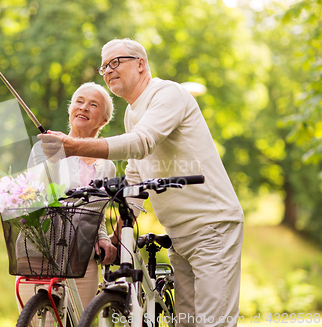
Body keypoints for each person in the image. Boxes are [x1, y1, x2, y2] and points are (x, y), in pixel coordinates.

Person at [38, 38, 244, 327]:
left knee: (213, 322)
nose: (108, 70)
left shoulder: (167, 93)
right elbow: (136, 178)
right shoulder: (133, 114)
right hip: (179, 234)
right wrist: (118, 232)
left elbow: (142, 142)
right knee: (185, 322)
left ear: (140, 64)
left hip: (211, 226)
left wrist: (74, 146)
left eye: (115, 62)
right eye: (104, 67)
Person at [17, 82, 118, 311]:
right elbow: (36, 196)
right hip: (40, 252)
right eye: (79, 101)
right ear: (70, 108)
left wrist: (102, 237)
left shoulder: (107, 166)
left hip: (82, 260)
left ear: (103, 120)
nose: (83, 107)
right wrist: (53, 160)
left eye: (93, 105)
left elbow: (97, 213)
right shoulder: (43, 148)